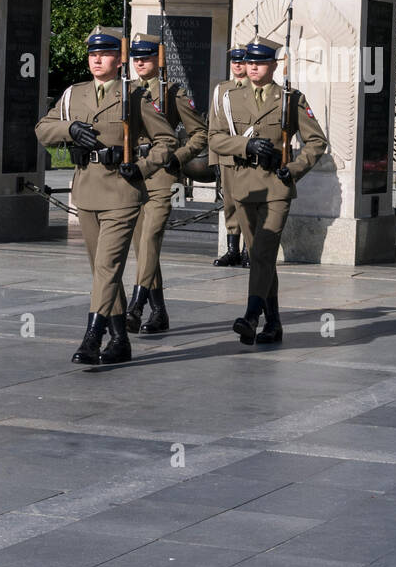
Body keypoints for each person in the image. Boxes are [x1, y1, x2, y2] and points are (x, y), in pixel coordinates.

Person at [35, 26, 177, 365]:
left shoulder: (135, 96)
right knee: (101, 270)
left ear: (119, 59)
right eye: (92, 54)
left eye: (106, 53)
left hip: (121, 191)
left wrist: (141, 168)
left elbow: (167, 141)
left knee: (107, 266)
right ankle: (120, 340)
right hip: (86, 190)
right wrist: (68, 129)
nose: (97, 59)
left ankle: (92, 336)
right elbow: (42, 129)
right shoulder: (74, 94)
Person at [208, 36, 327, 344]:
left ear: (274, 65)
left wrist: (295, 169)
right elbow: (215, 139)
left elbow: (316, 141)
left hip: (277, 185)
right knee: (262, 257)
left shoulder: (291, 98)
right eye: (249, 62)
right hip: (243, 185)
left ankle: (250, 315)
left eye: (260, 62)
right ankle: (273, 322)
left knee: (262, 250)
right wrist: (245, 144)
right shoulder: (228, 97)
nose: (253, 67)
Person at [124, 33, 208, 334]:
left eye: (145, 57)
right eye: (136, 57)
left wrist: (180, 156)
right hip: (134, 173)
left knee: (149, 239)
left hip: (162, 173)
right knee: (143, 247)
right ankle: (159, 312)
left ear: (157, 60)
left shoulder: (171, 92)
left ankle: (136, 305)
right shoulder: (127, 90)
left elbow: (200, 133)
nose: (140, 62)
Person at [209, 46, 250, 269]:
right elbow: (213, 128)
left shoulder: (255, 91)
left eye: (241, 61)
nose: (237, 64)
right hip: (227, 158)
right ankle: (233, 250)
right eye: (234, 61)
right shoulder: (221, 90)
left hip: (249, 158)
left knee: (248, 204)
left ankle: (248, 250)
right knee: (230, 205)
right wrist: (214, 160)